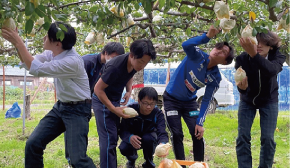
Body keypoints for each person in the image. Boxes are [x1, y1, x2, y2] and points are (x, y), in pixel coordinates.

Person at [1, 22, 96, 168]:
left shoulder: (72, 61)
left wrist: (18, 42)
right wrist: (17, 42)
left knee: (78, 160)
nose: (44, 37)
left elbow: (36, 69)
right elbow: (29, 63)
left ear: (57, 43)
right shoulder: (53, 53)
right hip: (61, 107)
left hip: (78, 110)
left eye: (47, 36)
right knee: (33, 144)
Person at [163, 25, 235, 162]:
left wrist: (200, 123)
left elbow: (207, 100)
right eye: (218, 47)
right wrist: (207, 37)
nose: (218, 51)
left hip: (190, 103)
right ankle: (181, 165)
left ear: (225, 62)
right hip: (171, 100)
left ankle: (199, 164)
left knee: (197, 133)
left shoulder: (216, 77)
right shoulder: (197, 55)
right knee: (177, 134)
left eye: (224, 52)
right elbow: (186, 44)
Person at [93, 39, 156, 168]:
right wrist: (114, 109)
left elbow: (130, 73)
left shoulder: (134, 63)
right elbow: (98, 89)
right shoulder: (115, 67)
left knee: (113, 136)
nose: (142, 66)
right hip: (102, 100)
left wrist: (128, 90)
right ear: (131, 55)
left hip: (115, 100)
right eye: (141, 62)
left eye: (146, 63)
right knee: (108, 139)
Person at [64, 42, 125, 163]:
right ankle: (71, 159)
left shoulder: (108, 65)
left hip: (88, 99)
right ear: (106, 53)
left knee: (82, 131)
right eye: (114, 57)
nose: (116, 61)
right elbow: (72, 81)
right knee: (74, 130)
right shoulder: (88, 62)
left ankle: (79, 158)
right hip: (75, 100)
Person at [235, 31, 285, 168]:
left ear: (271, 46)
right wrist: (242, 89)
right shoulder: (241, 59)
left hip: (269, 100)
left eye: (264, 42)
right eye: (257, 41)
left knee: (268, 138)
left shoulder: (278, 56)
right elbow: (240, 83)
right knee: (242, 136)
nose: (259, 45)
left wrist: (254, 55)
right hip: (247, 100)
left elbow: (272, 70)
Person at [119, 87, 169, 168]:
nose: (149, 107)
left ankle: (149, 163)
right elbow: (123, 130)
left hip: (149, 138)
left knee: (148, 138)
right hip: (133, 138)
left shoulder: (158, 113)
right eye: (146, 103)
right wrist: (129, 137)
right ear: (139, 100)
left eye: (152, 104)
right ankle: (131, 160)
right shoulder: (130, 110)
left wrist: (163, 145)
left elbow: (162, 132)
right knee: (123, 148)